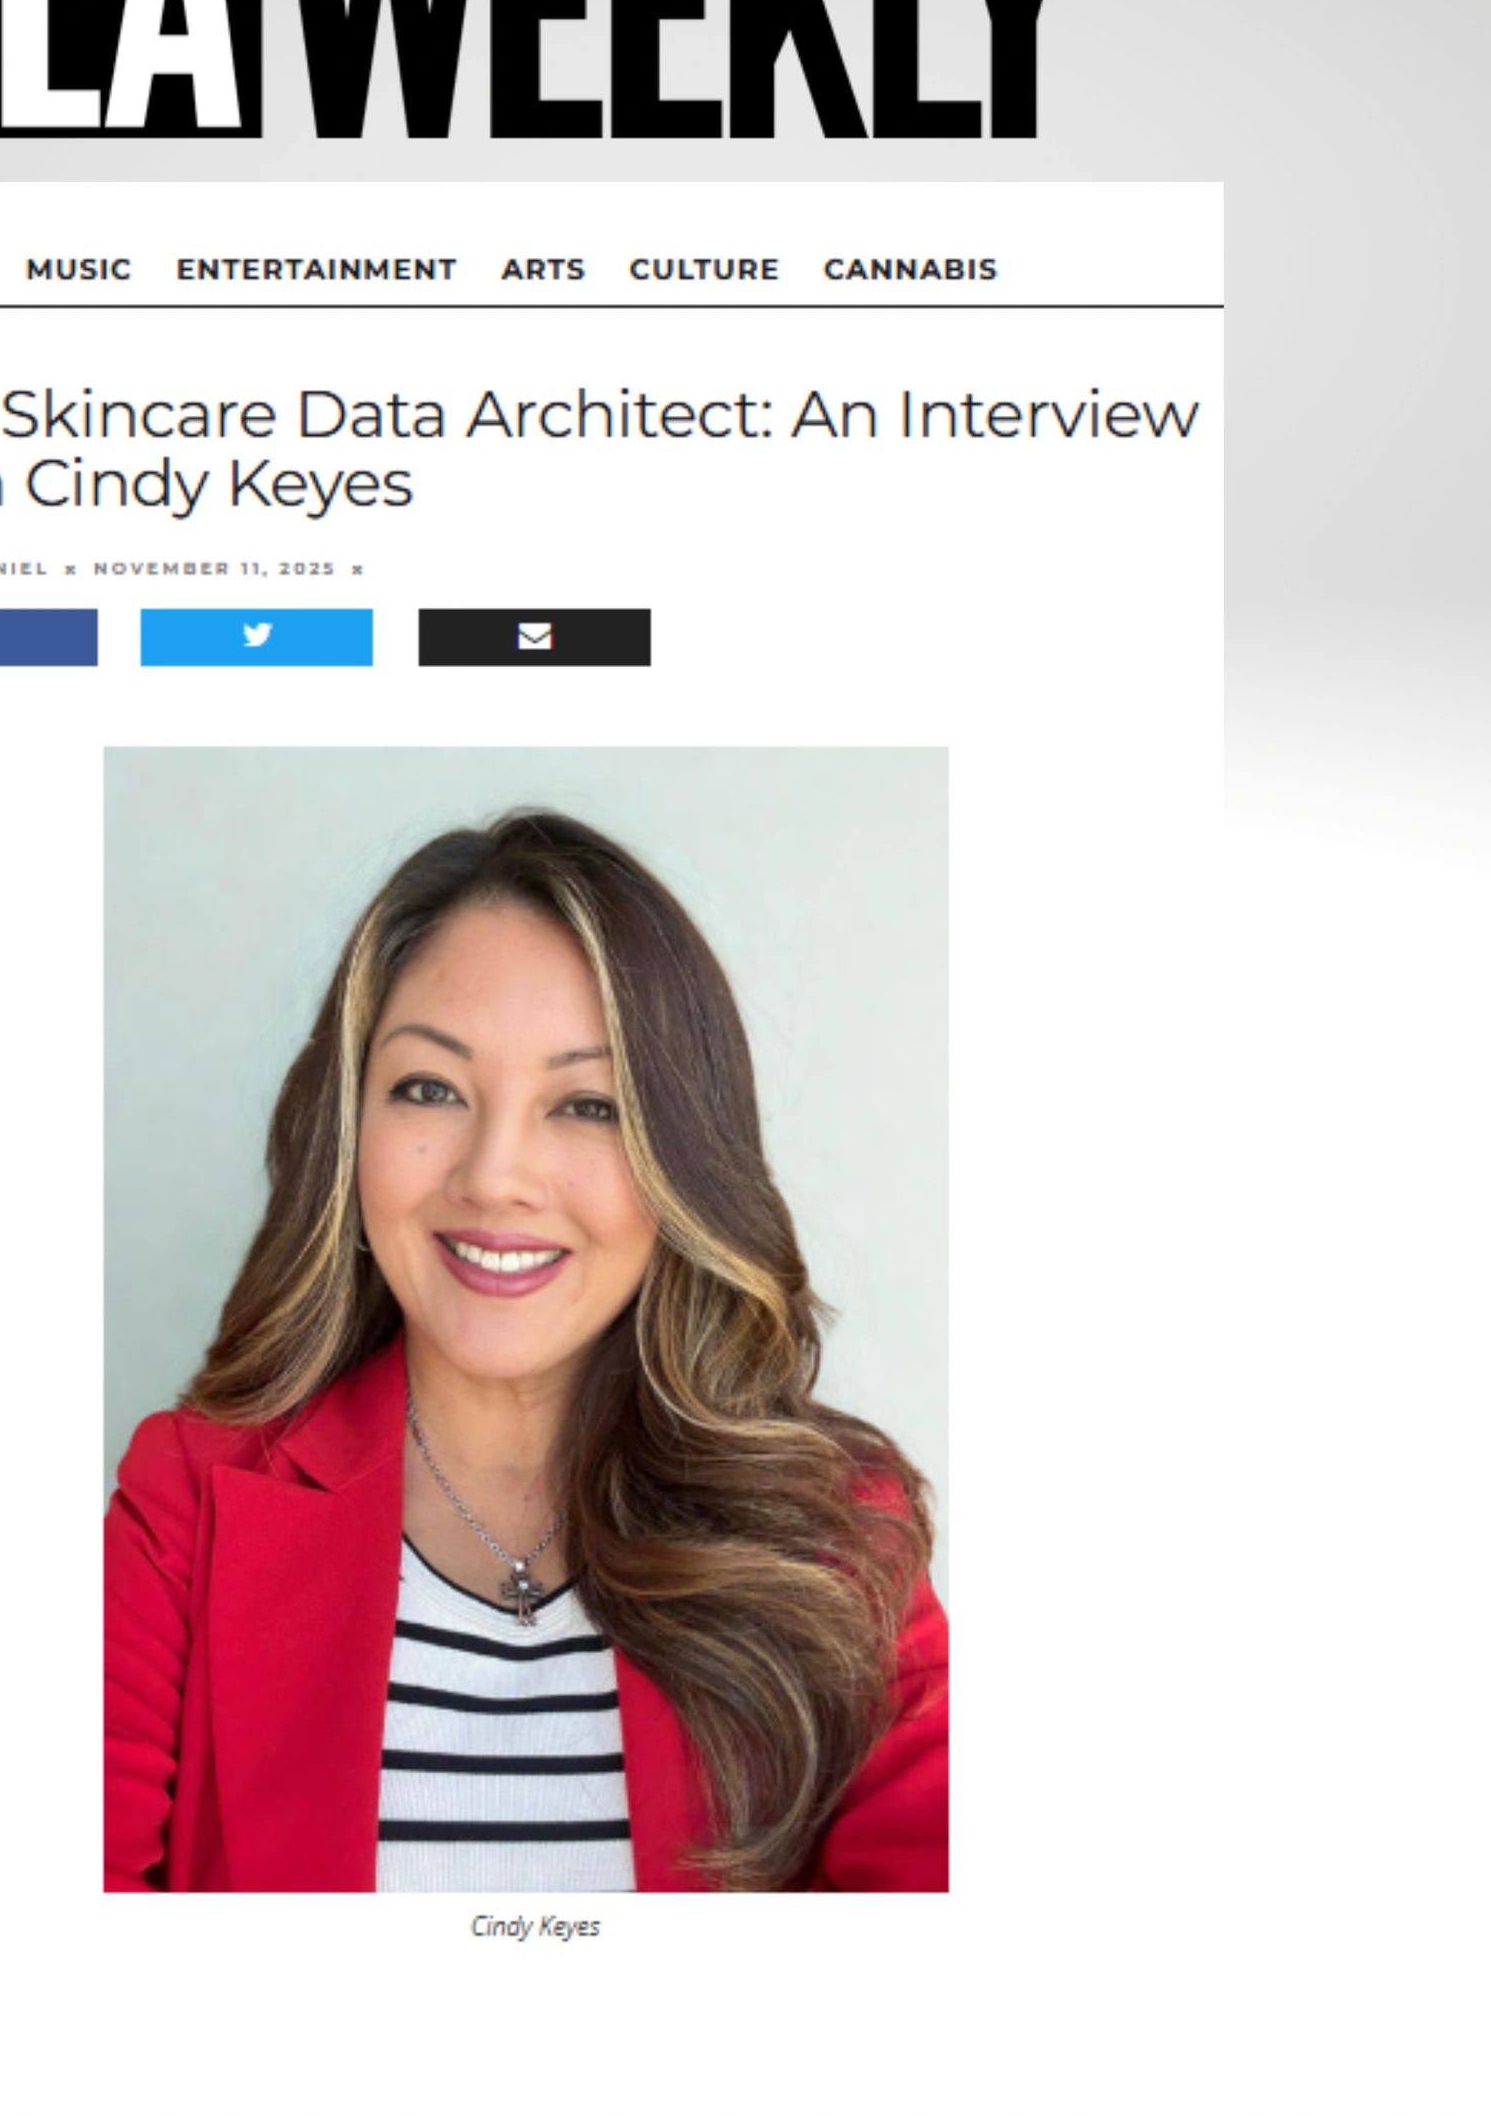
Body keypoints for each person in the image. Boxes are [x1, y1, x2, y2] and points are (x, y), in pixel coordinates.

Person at [105, 810, 947, 1892]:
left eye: (587, 1104)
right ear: (348, 1130)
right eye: (430, 1088)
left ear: (683, 1165)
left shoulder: (835, 1537)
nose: (495, 1176)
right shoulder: (190, 1501)